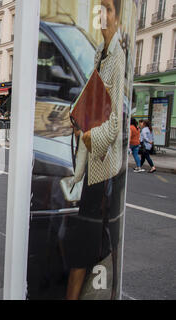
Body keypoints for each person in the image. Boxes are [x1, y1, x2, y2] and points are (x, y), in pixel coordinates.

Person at [65, 0, 125, 300]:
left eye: (108, 11)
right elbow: (93, 101)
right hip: (93, 164)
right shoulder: (101, 54)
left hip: (102, 165)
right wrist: (78, 118)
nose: (102, 17)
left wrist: (89, 136)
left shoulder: (117, 56)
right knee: (86, 238)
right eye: (99, 11)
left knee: (88, 240)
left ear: (117, 16)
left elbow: (115, 122)